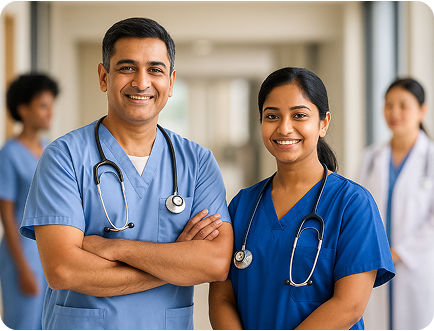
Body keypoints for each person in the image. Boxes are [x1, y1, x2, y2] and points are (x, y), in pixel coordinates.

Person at [19, 17, 233, 330]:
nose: (142, 82)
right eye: (127, 67)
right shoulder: (64, 157)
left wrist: (113, 248)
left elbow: (214, 263)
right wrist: (175, 263)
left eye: (155, 69)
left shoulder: (198, 162)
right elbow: (64, 269)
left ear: (171, 82)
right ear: (104, 76)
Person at [208, 67, 395, 330]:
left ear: (323, 123)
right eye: (272, 116)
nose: (284, 128)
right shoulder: (242, 206)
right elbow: (222, 297)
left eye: (299, 115)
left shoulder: (352, 204)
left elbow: (349, 305)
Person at [358, 78, 434, 330]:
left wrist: (398, 253)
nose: (394, 113)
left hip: (416, 267)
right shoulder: (371, 157)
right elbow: (360, 211)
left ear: (422, 111)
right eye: (389, 105)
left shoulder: (430, 158)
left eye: (403, 105)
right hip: (375, 262)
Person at [0, 73, 59, 329]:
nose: (50, 113)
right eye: (43, 106)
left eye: (51, 105)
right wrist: (22, 268)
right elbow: (7, 216)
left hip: (49, 252)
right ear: (23, 110)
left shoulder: (50, 150)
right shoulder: (9, 154)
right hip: (21, 254)